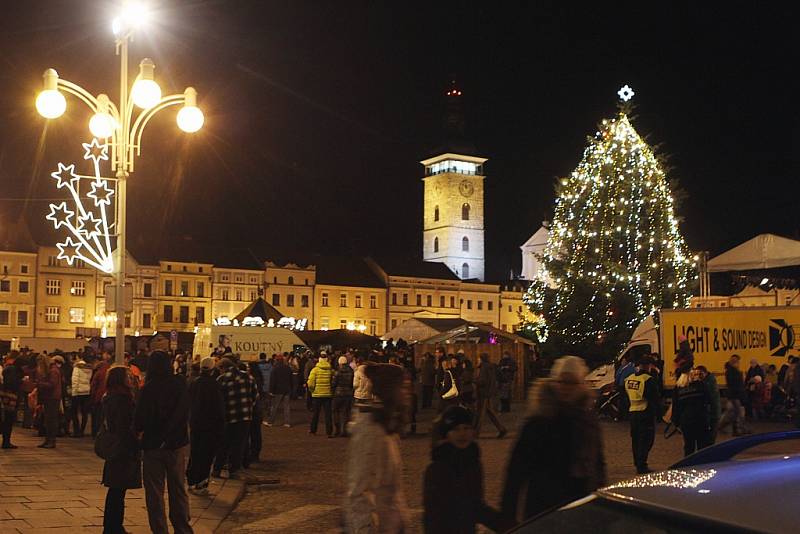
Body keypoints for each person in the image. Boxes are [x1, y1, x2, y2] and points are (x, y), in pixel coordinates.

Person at [501, 356, 605, 524]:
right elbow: (516, 470)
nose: (566, 388)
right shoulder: (538, 421)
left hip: (580, 504)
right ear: (553, 382)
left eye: (572, 383)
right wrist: (507, 516)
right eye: (562, 382)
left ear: (580, 385)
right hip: (543, 506)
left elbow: (598, 463)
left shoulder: (587, 420)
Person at [346, 364, 410, 532]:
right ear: (390, 390)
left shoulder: (388, 428)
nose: (406, 393)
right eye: (402, 387)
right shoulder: (371, 432)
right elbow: (360, 491)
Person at [134, 351, 193, 534]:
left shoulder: (148, 389)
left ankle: (160, 530)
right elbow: (184, 412)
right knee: (178, 489)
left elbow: (139, 420)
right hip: (176, 444)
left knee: (154, 493)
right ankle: (182, 528)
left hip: (153, 445)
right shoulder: (179, 384)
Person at [424, 405, 504, 534]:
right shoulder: (437, 469)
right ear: (446, 435)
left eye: (466, 428)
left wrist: (508, 525)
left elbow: (476, 506)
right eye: (455, 429)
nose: (462, 433)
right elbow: (433, 518)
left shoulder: (473, 463)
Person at [101, 365, 141, 534]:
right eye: (127, 376)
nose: (130, 378)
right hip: (123, 449)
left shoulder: (110, 396)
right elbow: (125, 426)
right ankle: (113, 527)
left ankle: (113, 526)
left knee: (116, 489)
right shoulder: (122, 399)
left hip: (115, 447)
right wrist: (135, 444)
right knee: (118, 489)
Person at [213, 357, 256, 479]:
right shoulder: (248, 377)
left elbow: (218, 399)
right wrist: (247, 406)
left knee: (224, 443)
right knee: (239, 444)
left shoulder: (222, 379)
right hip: (245, 416)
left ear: (223, 367)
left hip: (228, 416)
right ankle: (234, 469)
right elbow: (255, 396)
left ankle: (217, 468)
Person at [187, 357, 224, 495]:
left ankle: (191, 480)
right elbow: (219, 408)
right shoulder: (214, 385)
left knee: (195, 452)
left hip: (196, 423)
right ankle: (201, 483)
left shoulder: (194, 383)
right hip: (210, 425)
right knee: (206, 454)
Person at [624, 355, 661, 474]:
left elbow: (625, 396)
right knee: (646, 441)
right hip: (645, 412)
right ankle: (642, 465)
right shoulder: (648, 379)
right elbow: (654, 397)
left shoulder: (629, 378)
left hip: (633, 412)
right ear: (649, 366)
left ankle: (637, 463)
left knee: (636, 440)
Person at [672, 370, 712, 457]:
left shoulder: (678, 388)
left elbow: (676, 406)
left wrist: (676, 422)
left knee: (689, 446)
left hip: (686, 421)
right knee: (702, 446)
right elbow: (709, 400)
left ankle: (689, 465)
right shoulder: (701, 385)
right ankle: (702, 465)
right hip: (701, 420)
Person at [474, 354, 507, 438]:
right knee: (490, 412)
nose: (477, 361)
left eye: (478, 359)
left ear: (481, 359)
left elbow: (483, 381)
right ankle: (501, 429)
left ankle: (475, 433)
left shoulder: (484, 368)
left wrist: (474, 380)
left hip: (484, 393)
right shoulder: (491, 367)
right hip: (489, 392)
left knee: (480, 414)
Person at [35, 353, 62, 449]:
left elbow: (52, 384)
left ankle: (51, 440)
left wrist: (40, 383)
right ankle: (48, 440)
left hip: (52, 398)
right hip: (49, 397)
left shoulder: (53, 371)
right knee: (48, 420)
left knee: (51, 420)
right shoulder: (52, 370)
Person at [719, 354, 749, 435]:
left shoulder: (731, 371)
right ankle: (736, 429)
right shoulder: (733, 372)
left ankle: (723, 427)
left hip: (733, 395)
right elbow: (736, 384)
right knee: (736, 413)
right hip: (735, 396)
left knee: (733, 413)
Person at [307, 352, 334, 437]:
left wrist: (312, 390)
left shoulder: (315, 370)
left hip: (317, 394)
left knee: (316, 414)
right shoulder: (330, 370)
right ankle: (329, 431)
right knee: (328, 414)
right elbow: (333, 381)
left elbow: (310, 383)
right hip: (327, 394)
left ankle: (313, 430)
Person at [1, 352, 21, 449]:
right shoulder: (13, 370)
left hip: (5, 396)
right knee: (8, 419)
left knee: (6, 418)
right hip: (10, 396)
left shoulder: (6, 369)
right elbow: (12, 383)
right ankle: (6, 441)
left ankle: (6, 441)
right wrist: (20, 382)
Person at [696, 365, 721, 444]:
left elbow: (710, 397)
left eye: (700, 374)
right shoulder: (709, 381)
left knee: (710, 438)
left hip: (712, 414)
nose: (698, 376)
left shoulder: (709, 382)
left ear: (704, 373)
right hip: (709, 413)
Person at [267, 354, 293, 427]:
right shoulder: (288, 368)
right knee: (287, 407)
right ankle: (287, 423)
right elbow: (291, 379)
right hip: (287, 389)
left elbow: (273, 381)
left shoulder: (275, 369)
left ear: (277, 360)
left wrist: (271, 391)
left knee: (274, 406)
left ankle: (270, 422)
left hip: (278, 390)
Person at [332, 355, 355, 437]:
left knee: (336, 411)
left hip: (338, 394)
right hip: (348, 394)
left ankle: (337, 429)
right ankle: (344, 430)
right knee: (346, 413)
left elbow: (334, 384)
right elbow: (353, 383)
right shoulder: (351, 371)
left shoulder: (337, 372)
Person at [71, 352, 93, 437]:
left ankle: (76, 431)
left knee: (74, 412)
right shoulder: (89, 368)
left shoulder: (77, 367)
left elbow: (75, 380)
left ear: (78, 358)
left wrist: (74, 392)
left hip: (78, 392)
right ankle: (82, 430)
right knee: (84, 412)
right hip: (86, 391)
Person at [91, 354, 111, 438]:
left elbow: (93, 386)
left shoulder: (98, 372)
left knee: (97, 416)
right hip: (108, 397)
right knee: (104, 417)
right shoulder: (110, 372)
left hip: (98, 397)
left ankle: (95, 433)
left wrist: (93, 397)